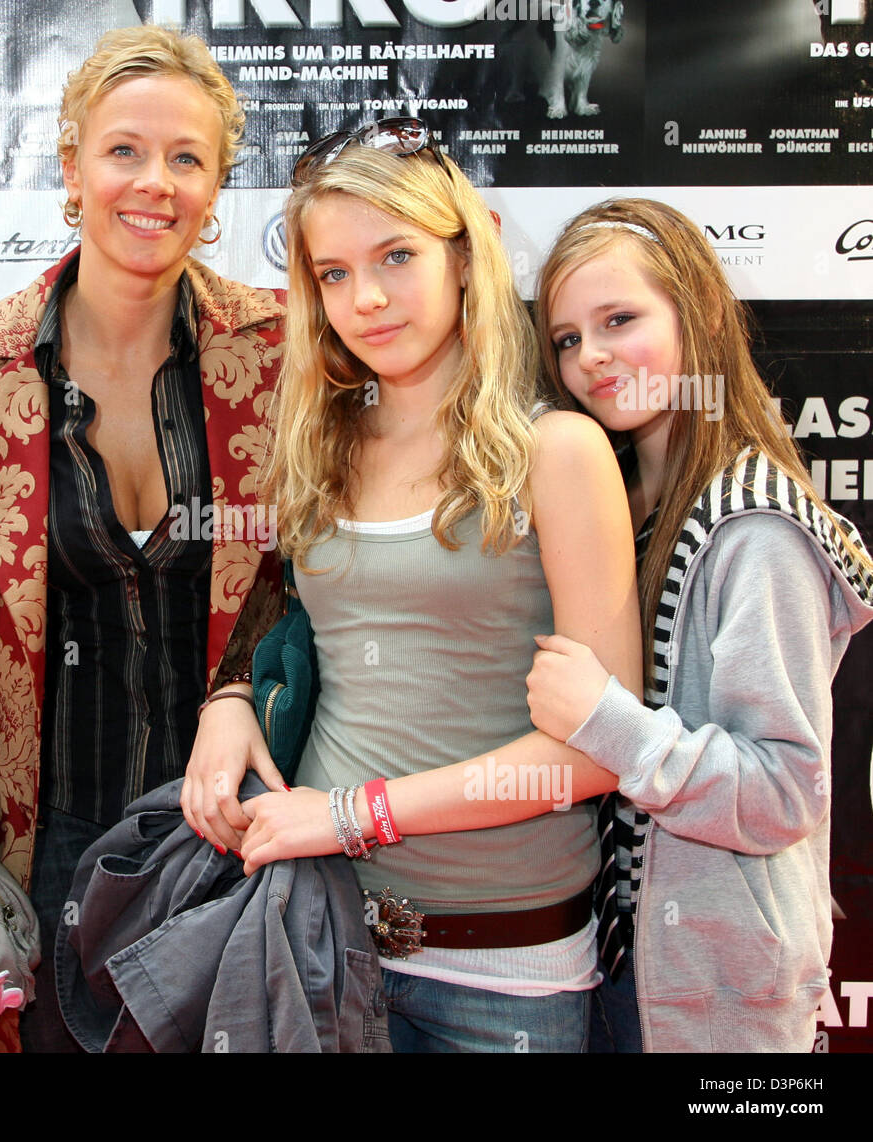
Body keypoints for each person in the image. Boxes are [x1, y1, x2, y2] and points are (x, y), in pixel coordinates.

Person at [184, 122, 642, 1052]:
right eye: (335, 273)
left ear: (465, 256)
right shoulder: (321, 447)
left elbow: (601, 749)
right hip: (315, 935)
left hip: (500, 972)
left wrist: (351, 815)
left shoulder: (556, 451)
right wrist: (229, 699)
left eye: (397, 255)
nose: (370, 298)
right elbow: (297, 621)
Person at [0, 25, 285, 1051]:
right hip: (40, 851)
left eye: (187, 158)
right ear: (71, 162)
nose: (154, 182)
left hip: (242, 832)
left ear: (217, 186)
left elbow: (328, 572)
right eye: (124, 149)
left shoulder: (289, 356)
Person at [528, 198, 873, 1052]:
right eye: (568, 338)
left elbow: (783, 789)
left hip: (721, 995)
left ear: (697, 315)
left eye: (620, 320)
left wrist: (607, 721)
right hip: (617, 961)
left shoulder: (755, 528)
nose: (593, 358)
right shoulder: (623, 508)